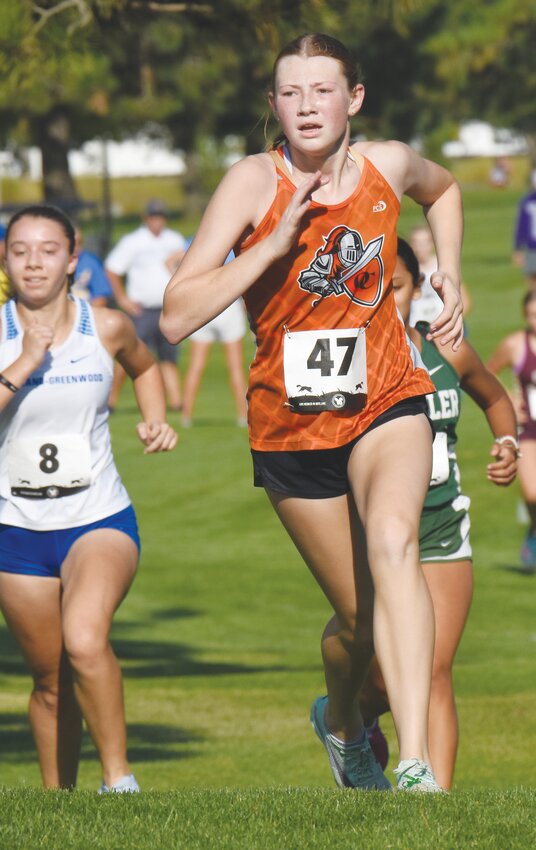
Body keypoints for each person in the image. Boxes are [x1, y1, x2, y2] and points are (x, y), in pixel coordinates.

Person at [161, 33, 465, 792]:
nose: (306, 106)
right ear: (273, 105)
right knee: (358, 624)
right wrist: (266, 250)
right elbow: (172, 318)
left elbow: (447, 189)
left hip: (387, 398)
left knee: (397, 543)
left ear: (353, 99)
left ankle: (416, 763)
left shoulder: (387, 165)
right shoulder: (250, 184)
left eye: (322, 91)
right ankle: (339, 721)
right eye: (290, 93)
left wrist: (450, 273)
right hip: (292, 426)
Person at [0, 204, 178, 792]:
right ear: (4, 258)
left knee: (83, 638)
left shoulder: (105, 327)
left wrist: (155, 418)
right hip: (14, 529)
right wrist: (23, 362)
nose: (33, 262)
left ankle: (119, 781)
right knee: (50, 677)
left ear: (73, 259)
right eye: (20, 249)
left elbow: (145, 366)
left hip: (95, 516)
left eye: (48, 250)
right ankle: (59, 802)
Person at [359, 238, 518, 790]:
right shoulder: (346, 368)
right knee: (380, 677)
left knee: (433, 669)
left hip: (443, 528)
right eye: (369, 288)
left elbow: (496, 398)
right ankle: (350, 718)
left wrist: (508, 443)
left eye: (396, 287)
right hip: (374, 540)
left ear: (417, 288)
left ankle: (435, 798)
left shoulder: (445, 349)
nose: (384, 299)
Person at [105, 200, 187, 410]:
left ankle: (176, 401)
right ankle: (111, 399)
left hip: (167, 307)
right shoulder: (133, 241)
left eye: (160, 217)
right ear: (146, 218)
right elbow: (113, 268)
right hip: (142, 309)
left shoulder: (174, 239)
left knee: (169, 355)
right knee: (130, 354)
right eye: (153, 217)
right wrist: (122, 298)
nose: (157, 221)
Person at [487, 290, 536, 570]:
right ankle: (534, 531)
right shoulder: (516, 345)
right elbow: (486, 372)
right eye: (531, 315)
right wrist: (508, 396)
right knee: (531, 493)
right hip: (528, 428)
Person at [179, 251, 248, 428]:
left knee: (196, 365)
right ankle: (243, 416)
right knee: (235, 367)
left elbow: (174, 263)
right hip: (229, 306)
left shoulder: (197, 241)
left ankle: (185, 416)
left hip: (204, 305)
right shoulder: (234, 242)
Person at [409, 224, 472, 327]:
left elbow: (465, 301)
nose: (421, 247)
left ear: (432, 243)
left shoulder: (444, 267)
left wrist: (450, 321)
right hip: (416, 328)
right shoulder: (407, 271)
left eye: (424, 243)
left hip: (444, 324)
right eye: (417, 243)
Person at [71, 227, 114, 306]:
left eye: (79, 243)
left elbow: (101, 298)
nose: (76, 248)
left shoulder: (91, 263)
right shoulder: (53, 263)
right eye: (71, 244)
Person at [512, 170, 536, 289]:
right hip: (532, 247)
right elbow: (522, 227)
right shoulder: (527, 202)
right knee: (531, 278)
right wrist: (518, 249)